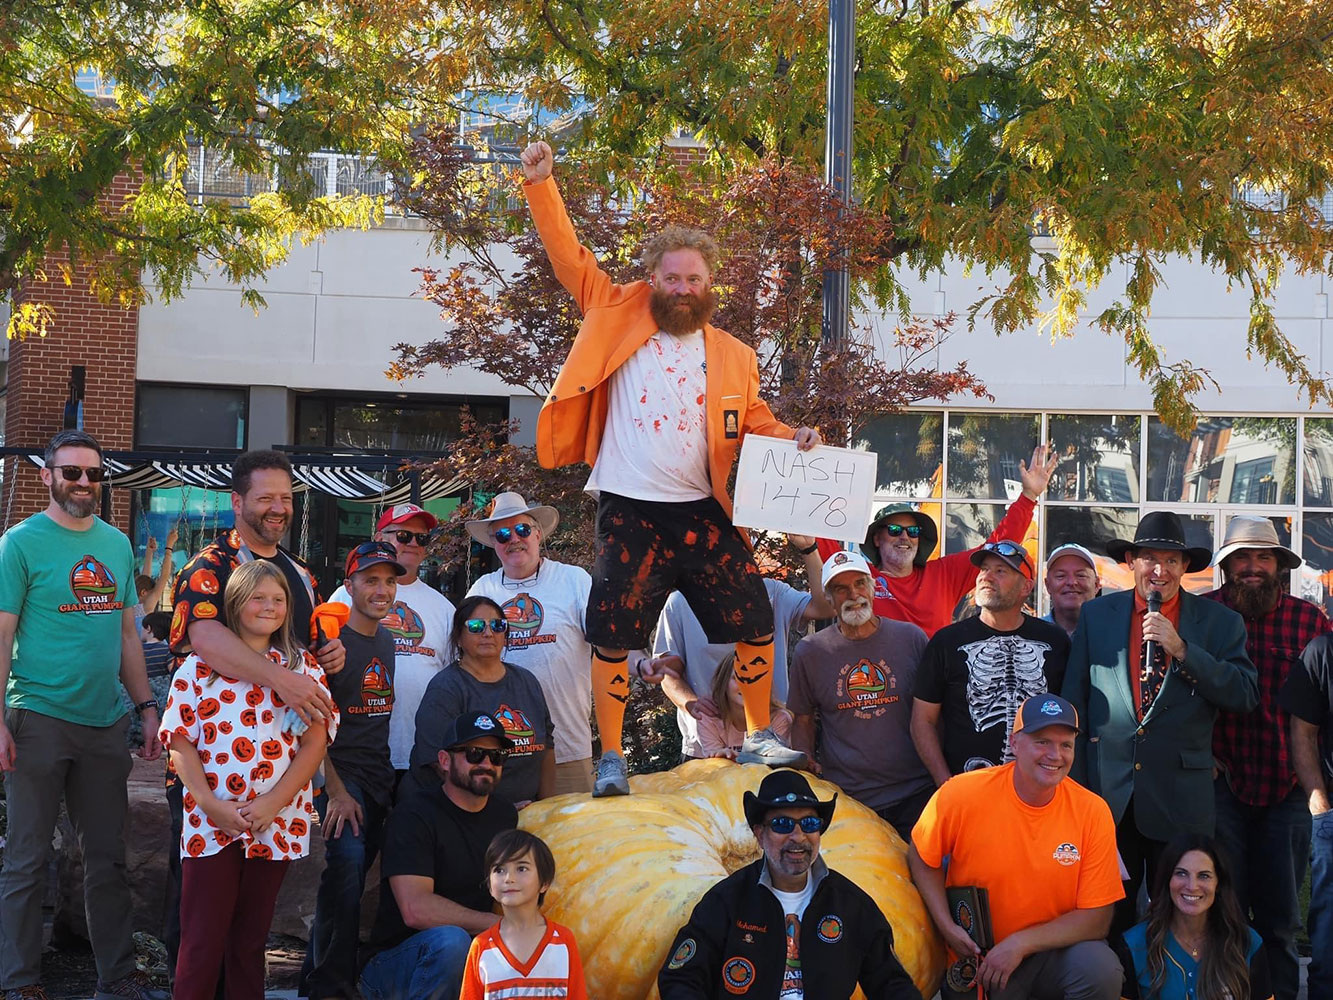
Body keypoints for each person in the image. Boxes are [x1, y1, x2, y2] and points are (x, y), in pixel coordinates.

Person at [520, 138, 823, 795]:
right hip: (630, 506)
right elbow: (569, 257)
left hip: (701, 508)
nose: (682, 289)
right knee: (611, 633)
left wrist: (794, 435)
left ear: (709, 287)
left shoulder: (734, 355)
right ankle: (610, 757)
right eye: (672, 278)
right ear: (651, 279)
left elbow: (757, 420)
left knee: (753, 620)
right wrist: (542, 185)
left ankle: (759, 735)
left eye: (694, 280)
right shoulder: (612, 311)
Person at [0, 429, 170, 1000]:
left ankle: (116, 978)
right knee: (26, 860)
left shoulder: (116, 545)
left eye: (93, 473)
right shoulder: (19, 544)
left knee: (107, 860)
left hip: (104, 724)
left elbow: (127, 634)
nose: (83, 482)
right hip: (38, 718)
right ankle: (20, 983)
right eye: (71, 472)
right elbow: (1, 636)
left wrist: (146, 706)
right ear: (47, 476)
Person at [165, 448, 344, 976]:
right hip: (211, 780)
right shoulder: (207, 567)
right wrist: (282, 679)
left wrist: (330, 654)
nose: (278, 508)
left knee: (249, 938)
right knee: (199, 930)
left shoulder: (300, 574)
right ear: (238, 501)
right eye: (266, 497)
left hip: (278, 786)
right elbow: (204, 638)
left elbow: (305, 649)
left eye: (286, 498)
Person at [1062, 510, 1258, 935]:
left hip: (1181, 799)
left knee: (1179, 919)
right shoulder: (1097, 615)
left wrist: (1183, 649)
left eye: (1171, 560)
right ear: (1130, 561)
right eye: (1150, 558)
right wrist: (1076, 790)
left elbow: (1243, 694)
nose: (1160, 570)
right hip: (1109, 799)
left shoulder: (1220, 622)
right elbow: (1074, 704)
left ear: (1185, 567)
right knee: (1107, 916)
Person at [909, 694, 1124, 999]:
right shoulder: (961, 794)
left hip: (1053, 953)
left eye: (1066, 745)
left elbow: (1097, 918)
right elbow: (921, 855)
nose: (1055, 755)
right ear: (1014, 743)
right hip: (982, 959)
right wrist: (946, 926)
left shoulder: (1092, 811)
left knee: (1100, 969)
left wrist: (1021, 943)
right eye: (1042, 742)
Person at [1202, 515, 1328, 1000]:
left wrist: (1314, 778)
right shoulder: (1203, 615)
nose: (1252, 567)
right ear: (1225, 567)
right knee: (1221, 910)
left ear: (1280, 566)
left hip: (1288, 785)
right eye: (1242, 559)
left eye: (1263, 557)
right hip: (1220, 784)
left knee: (1280, 918)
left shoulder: (1310, 622)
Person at [658, 769, 921, 1000]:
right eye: (782, 824)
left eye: (809, 823)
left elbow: (891, 983)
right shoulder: (726, 901)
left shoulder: (851, 904)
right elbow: (682, 979)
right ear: (760, 834)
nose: (798, 836)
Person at [813, 446, 1058, 638]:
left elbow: (996, 547)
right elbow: (828, 552)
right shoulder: (861, 580)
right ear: (877, 539)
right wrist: (809, 465)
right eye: (895, 530)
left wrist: (1028, 497)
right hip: (879, 683)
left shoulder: (943, 575)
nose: (904, 537)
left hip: (932, 685)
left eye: (913, 531)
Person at [303, 541, 404, 1000]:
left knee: (351, 883)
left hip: (378, 777)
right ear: (350, 585)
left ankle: (315, 983)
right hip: (340, 778)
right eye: (371, 580)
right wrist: (337, 792)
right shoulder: (330, 644)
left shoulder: (386, 640)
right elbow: (311, 726)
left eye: (389, 581)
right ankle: (333, 989)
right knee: (344, 871)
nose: (382, 590)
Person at [361, 712, 519, 1000]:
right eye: (474, 754)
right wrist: (499, 926)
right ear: (445, 761)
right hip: (396, 966)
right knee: (451, 941)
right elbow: (415, 909)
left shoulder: (505, 815)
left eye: (496, 756)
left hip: (471, 957)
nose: (486, 764)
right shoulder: (414, 815)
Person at [787, 551, 934, 840]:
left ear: (873, 588)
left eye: (859, 584)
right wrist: (806, 768)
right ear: (829, 599)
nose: (853, 595)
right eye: (841, 589)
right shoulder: (811, 652)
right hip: (849, 798)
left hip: (916, 792)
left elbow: (934, 711)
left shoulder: (911, 638)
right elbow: (802, 719)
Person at [652, 533, 835, 762]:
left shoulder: (772, 593)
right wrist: (691, 703)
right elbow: (668, 674)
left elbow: (825, 608)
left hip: (772, 743)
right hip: (706, 748)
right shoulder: (679, 603)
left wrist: (809, 549)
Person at [464, 491, 594, 794]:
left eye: (522, 530)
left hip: (568, 749)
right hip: (499, 754)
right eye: (502, 535)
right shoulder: (483, 589)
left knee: (574, 825)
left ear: (537, 534)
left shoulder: (574, 580)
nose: (514, 539)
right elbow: (461, 661)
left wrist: (641, 663)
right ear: (494, 543)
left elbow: (607, 644)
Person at [912, 541, 1070, 783]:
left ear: (1026, 587)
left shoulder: (1055, 641)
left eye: (1000, 571)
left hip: (1037, 787)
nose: (986, 577)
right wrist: (946, 783)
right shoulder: (947, 641)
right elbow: (923, 720)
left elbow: (1070, 717)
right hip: (968, 786)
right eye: (984, 569)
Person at [331, 502, 455, 787]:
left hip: (419, 752)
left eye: (421, 538)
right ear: (379, 538)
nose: (413, 543)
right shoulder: (343, 597)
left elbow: (452, 681)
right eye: (403, 535)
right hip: (353, 759)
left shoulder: (444, 608)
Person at [410, 595, 555, 807]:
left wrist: (548, 808)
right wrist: (495, 810)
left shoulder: (527, 681)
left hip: (529, 812)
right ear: (459, 637)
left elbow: (547, 747)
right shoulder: (445, 688)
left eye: (497, 625)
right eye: (476, 626)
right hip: (463, 814)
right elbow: (439, 763)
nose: (488, 633)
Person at [1114, 833, 1271, 1000]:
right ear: (1168, 880)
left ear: (1218, 884)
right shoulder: (1134, 945)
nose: (1192, 886)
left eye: (1204, 876)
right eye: (1181, 873)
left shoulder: (1247, 943)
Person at [458, 830, 588, 1000]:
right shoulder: (482, 947)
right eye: (499, 870)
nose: (509, 878)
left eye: (521, 868)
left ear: (544, 882)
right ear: (490, 886)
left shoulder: (563, 941)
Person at [1279, 633, 1333, 1000]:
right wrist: (1321, 811)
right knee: (1328, 935)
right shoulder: (1323, 651)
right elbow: (1302, 734)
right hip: (1332, 813)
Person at [697, 653, 795, 759]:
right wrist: (719, 756)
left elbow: (774, 761)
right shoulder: (709, 718)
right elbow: (712, 762)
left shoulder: (779, 719)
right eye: (737, 678)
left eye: (755, 678)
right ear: (723, 682)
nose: (746, 686)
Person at [1043, 542, 1100, 637]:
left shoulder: (1116, 633)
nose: (1071, 582)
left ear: (1096, 584)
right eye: (1061, 576)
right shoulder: (1031, 635)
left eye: (1081, 575)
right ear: (1048, 585)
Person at [134, 525, 178, 627]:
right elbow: (164, 576)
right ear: (144, 592)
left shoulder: (131, 605)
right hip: (141, 637)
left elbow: (145, 577)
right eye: (152, 591)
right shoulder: (146, 606)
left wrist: (149, 553)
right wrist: (169, 547)